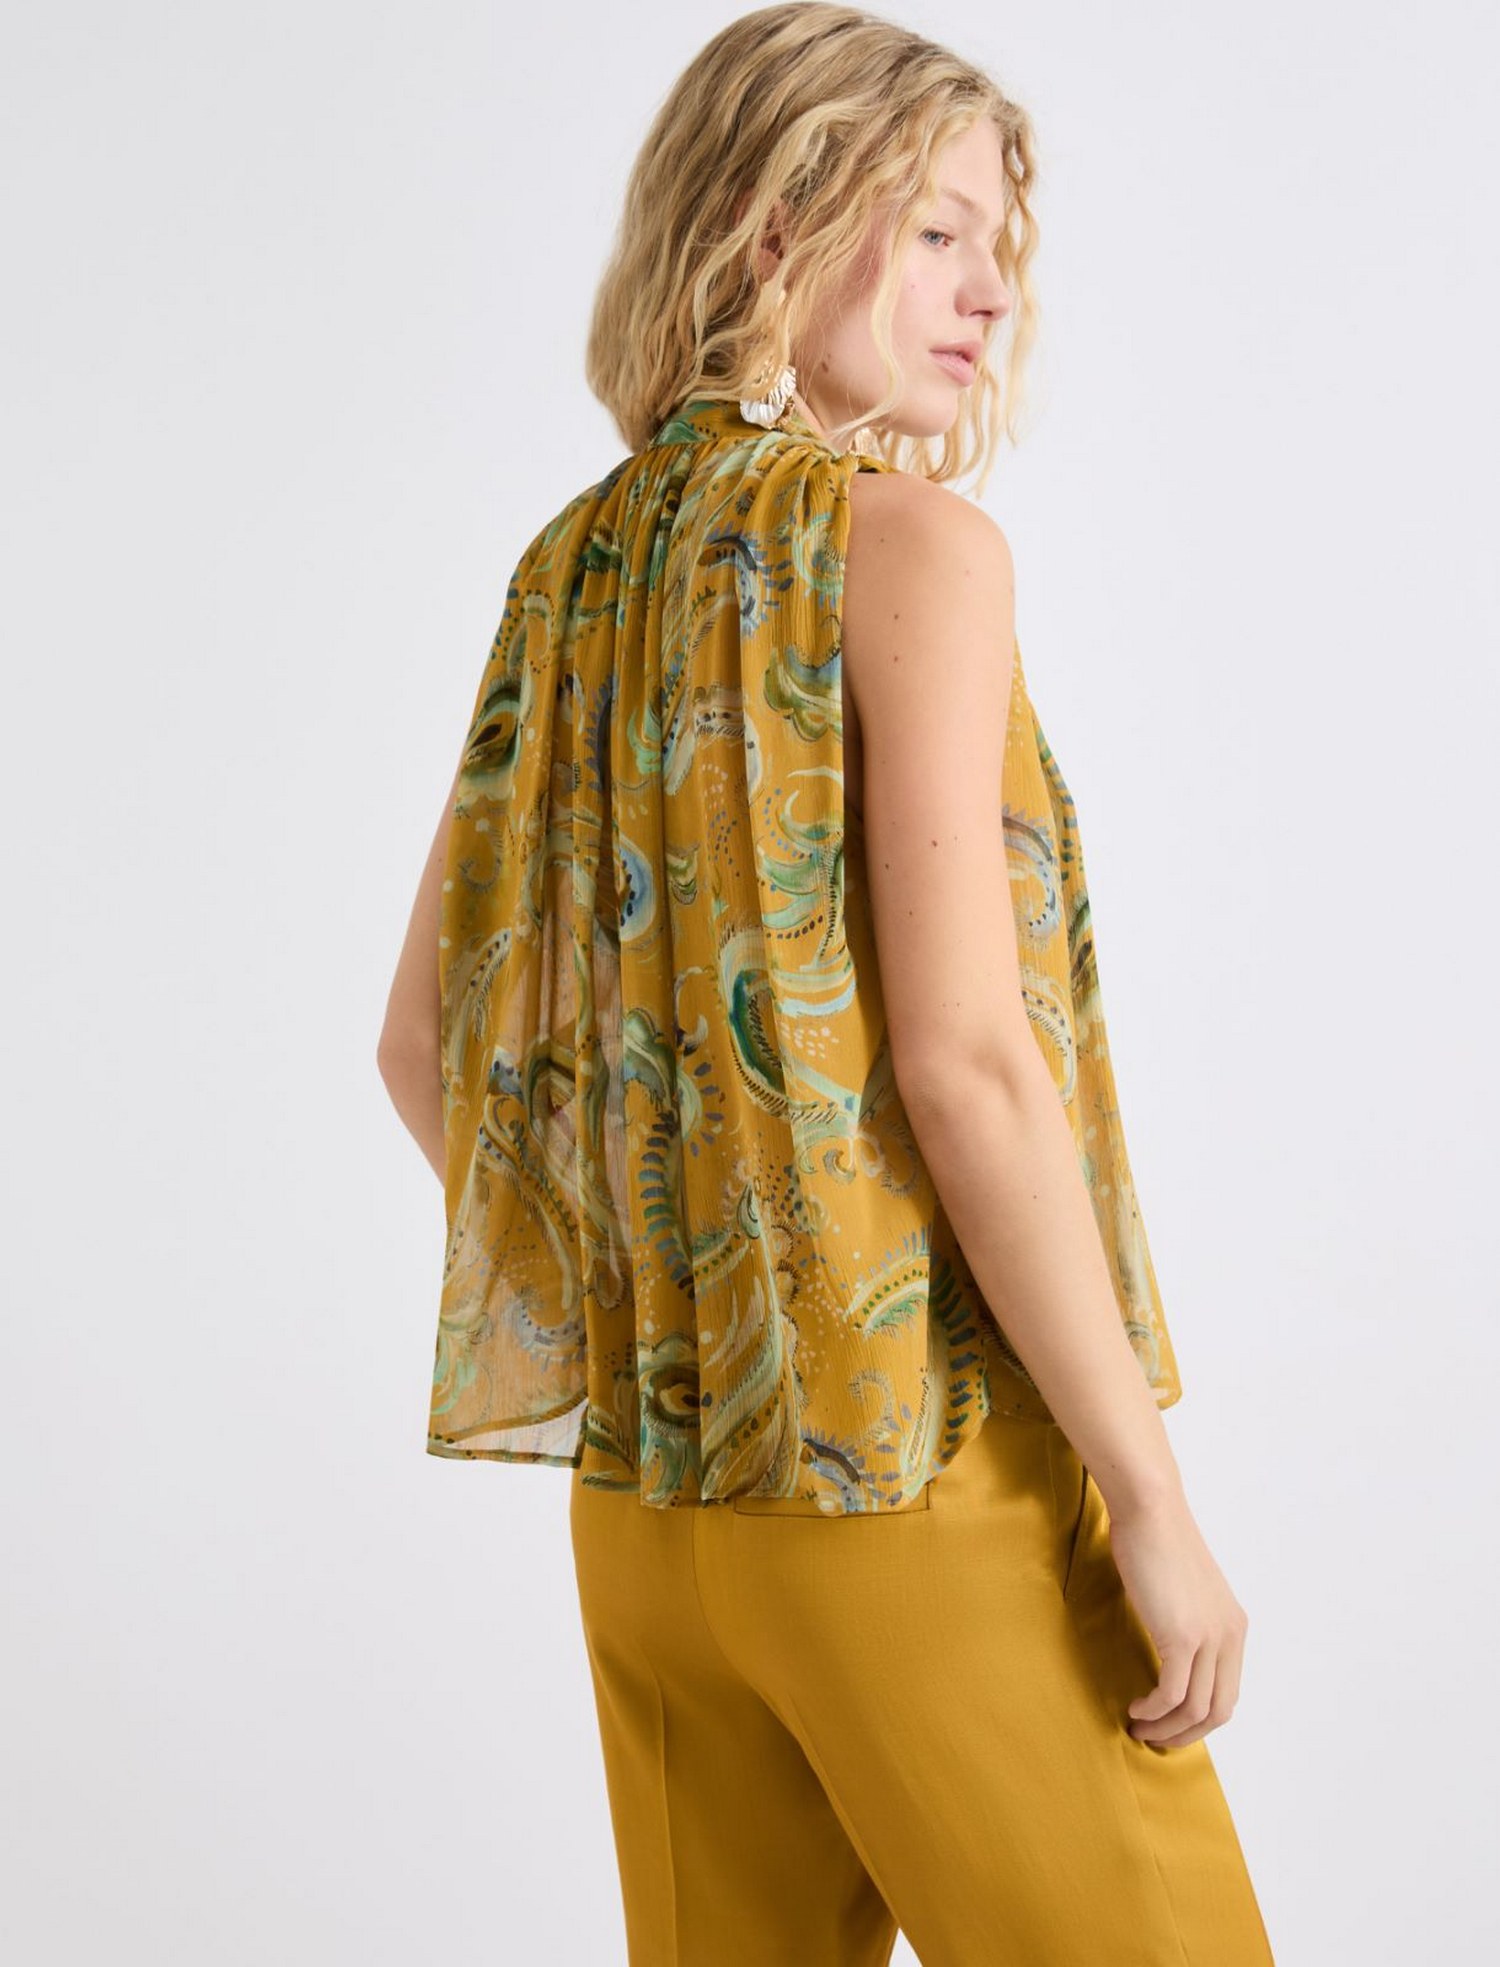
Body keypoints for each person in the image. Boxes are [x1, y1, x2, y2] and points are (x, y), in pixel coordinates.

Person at [376, 5, 1276, 1961]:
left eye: (995, 247)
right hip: (909, 1496)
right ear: (773, 224)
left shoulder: (570, 568)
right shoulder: (913, 549)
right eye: (936, 230)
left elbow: (426, 1040)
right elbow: (967, 1067)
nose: (989, 293)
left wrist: (676, 1304)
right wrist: (1149, 1499)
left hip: (651, 1522)